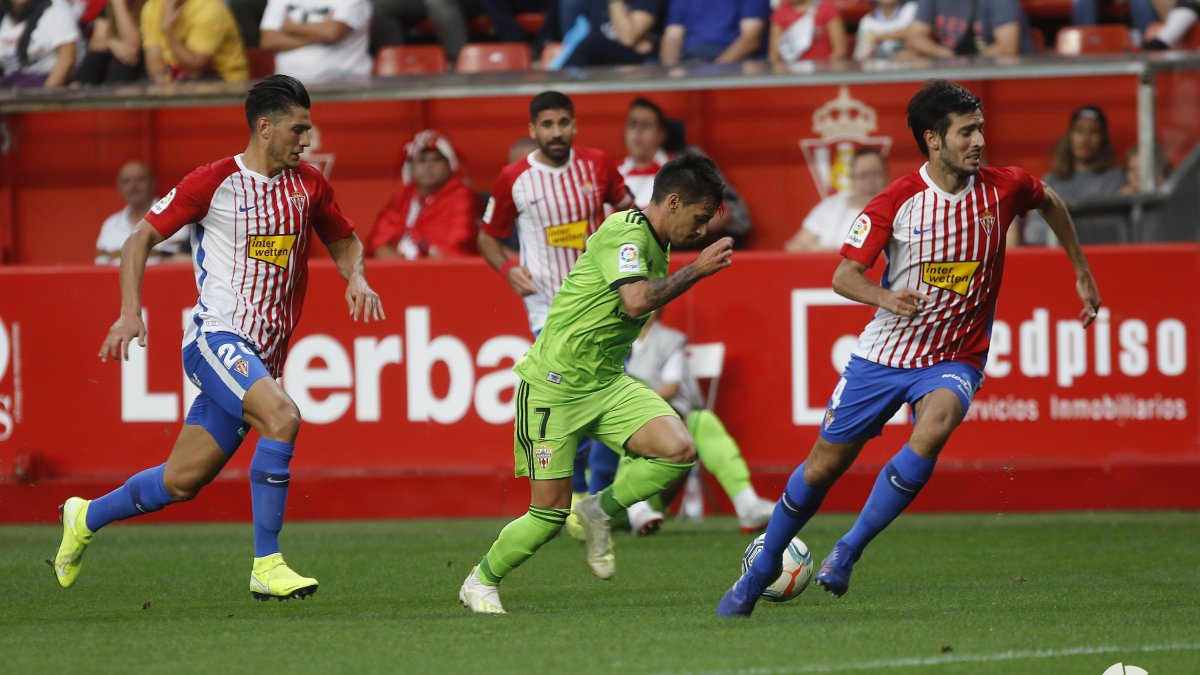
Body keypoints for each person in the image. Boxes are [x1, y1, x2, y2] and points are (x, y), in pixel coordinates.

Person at [716, 79, 1101, 617]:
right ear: (933, 139)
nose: (979, 141)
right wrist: (884, 297)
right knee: (823, 467)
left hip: (954, 356)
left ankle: (847, 550)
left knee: (936, 423)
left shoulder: (1003, 188)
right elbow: (843, 276)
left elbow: (1050, 201)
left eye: (980, 128)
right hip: (884, 353)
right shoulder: (896, 202)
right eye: (966, 131)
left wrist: (1081, 272)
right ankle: (758, 572)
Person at [52, 75, 385, 601]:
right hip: (216, 338)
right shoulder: (213, 183)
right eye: (299, 129)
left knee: (182, 481)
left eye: (309, 128)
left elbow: (342, 239)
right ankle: (267, 564)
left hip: (263, 354)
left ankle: (85, 516)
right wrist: (129, 312)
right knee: (283, 417)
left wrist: (357, 276)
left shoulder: (310, 185)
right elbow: (140, 237)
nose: (306, 139)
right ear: (265, 126)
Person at [459, 153, 736, 614]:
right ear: (672, 201)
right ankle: (481, 580)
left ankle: (598, 509)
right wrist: (698, 269)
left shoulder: (657, 240)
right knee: (547, 515)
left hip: (605, 381)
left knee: (679, 450)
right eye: (700, 217)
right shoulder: (627, 233)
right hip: (554, 386)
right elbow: (634, 302)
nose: (703, 229)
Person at [594, 310, 776, 535]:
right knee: (634, 429)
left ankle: (747, 504)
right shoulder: (607, 340)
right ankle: (634, 508)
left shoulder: (669, 341)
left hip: (659, 434)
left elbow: (672, 388)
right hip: (606, 492)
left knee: (703, 420)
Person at [619, 97, 753, 248]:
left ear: (661, 134)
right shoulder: (612, 174)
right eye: (633, 124)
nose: (638, 131)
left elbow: (723, 216)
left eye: (646, 125)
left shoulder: (683, 170)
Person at [366, 129, 480, 259]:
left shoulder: (462, 197)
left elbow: (449, 251)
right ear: (411, 167)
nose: (429, 165)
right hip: (400, 274)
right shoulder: (402, 196)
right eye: (421, 160)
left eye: (436, 160)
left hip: (446, 275)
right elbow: (379, 244)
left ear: (450, 166)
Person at [1023, 105, 1127, 245]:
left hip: (1103, 256)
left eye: (1093, 132)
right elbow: (1033, 233)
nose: (1085, 138)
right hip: (1060, 259)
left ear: (1103, 139)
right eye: (1079, 130)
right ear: (1070, 135)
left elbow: (1117, 231)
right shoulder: (1052, 181)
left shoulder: (1116, 179)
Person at [785, 148, 888, 252]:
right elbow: (794, 246)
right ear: (852, 178)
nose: (870, 182)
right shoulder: (831, 206)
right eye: (863, 175)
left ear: (886, 176)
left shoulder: (896, 212)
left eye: (876, 174)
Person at [95, 161, 190, 265]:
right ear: (119, 186)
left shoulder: (177, 218)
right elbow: (101, 266)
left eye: (140, 180)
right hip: (117, 281)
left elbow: (189, 262)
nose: (133, 186)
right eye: (126, 181)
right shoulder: (110, 224)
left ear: (152, 183)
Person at [259, 0, 373, 83]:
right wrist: (319, 34)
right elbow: (268, 41)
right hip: (288, 87)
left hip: (342, 85)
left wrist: (291, 28)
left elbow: (332, 32)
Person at [141, 0, 249, 82]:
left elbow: (195, 66)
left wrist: (167, 31)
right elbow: (153, 58)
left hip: (223, 79)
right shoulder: (152, 7)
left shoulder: (209, 9)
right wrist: (160, 80)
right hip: (176, 77)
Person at [552, 0, 665, 68]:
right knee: (588, 47)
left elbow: (628, 38)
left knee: (590, 47)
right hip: (602, 57)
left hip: (642, 61)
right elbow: (597, 34)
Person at [905, 0, 1035, 58]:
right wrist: (944, 54)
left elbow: (1007, 48)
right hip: (956, 77)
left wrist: (958, 62)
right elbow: (914, 37)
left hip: (1005, 80)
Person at [660, 0, 771, 65]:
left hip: (734, 64)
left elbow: (750, 40)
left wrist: (716, 69)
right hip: (691, 61)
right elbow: (672, 37)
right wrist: (671, 71)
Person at [0, 0, 80, 88]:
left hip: (48, 84)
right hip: (9, 84)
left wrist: (44, 95)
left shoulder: (55, 7)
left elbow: (68, 57)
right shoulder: (3, 12)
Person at [73, 0, 146, 84]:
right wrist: (113, 44)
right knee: (97, 55)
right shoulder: (110, 5)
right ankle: (77, 86)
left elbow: (131, 50)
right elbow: (97, 42)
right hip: (112, 64)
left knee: (125, 63)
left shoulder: (149, 4)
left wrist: (119, 3)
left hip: (138, 70)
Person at [768, 0, 847, 64]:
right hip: (791, 74)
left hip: (823, 73)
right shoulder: (780, 13)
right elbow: (774, 55)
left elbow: (840, 50)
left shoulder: (826, 8)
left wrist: (824, 70)